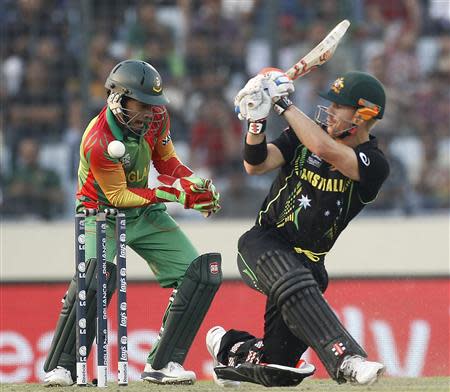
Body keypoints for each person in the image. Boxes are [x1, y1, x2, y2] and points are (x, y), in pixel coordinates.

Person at [206, 69, 390, 387]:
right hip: (263, 244)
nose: (329, 111)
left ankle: (228, 348)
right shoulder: (304, 136)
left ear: (363, 115)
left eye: (338, 107)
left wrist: (282, 104)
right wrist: (256, 122)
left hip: (309, 264)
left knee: (279, 369)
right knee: (295, 278)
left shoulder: (374, 163)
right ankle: (347, 358)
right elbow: (256, 163)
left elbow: (326, 151)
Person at [43, 59, 221, 386]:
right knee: (95, 279)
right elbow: (118, 196)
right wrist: (174, 196)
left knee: (200, 275)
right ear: (118, 98)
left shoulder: (156, 118)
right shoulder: (98, 139)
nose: (150, 112)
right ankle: (64, 367)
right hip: (100, 214)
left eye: (154, 105)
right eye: (142, 104)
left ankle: (163, 364)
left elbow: (167, 162)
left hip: (144, 213)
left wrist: (195, 186)